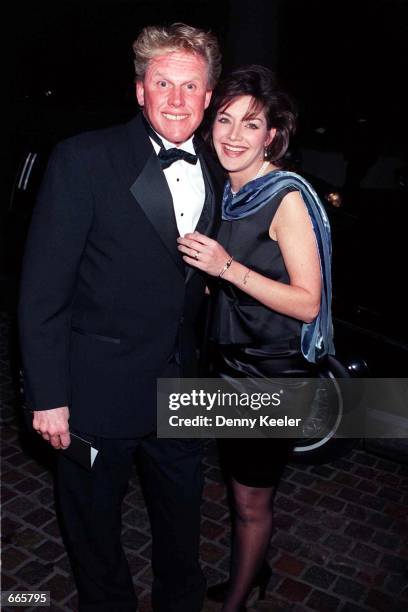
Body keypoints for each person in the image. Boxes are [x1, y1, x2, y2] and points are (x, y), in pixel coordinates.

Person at [18, 23, 223, 612]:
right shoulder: (84, 159)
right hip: (93, 396)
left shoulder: (219, 165)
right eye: (164, 83)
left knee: (183, 524)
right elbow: (42, 292)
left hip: (179, 390)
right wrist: (47, 394)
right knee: (93, 526)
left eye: (191, 86)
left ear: (209, 97)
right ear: (140, 90)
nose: (178, 99)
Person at [177, 65, 334, 612]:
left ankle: (239, 598)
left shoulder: (285, 198)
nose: (233, 135)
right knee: (239, 486)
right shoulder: (228, 190)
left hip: (270, 374)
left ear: (273, 135)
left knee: (250, 501)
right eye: (224, 120)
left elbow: (307, 301)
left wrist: (226, 270)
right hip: (228, 363)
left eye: (251, 125)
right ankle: (254, 571)